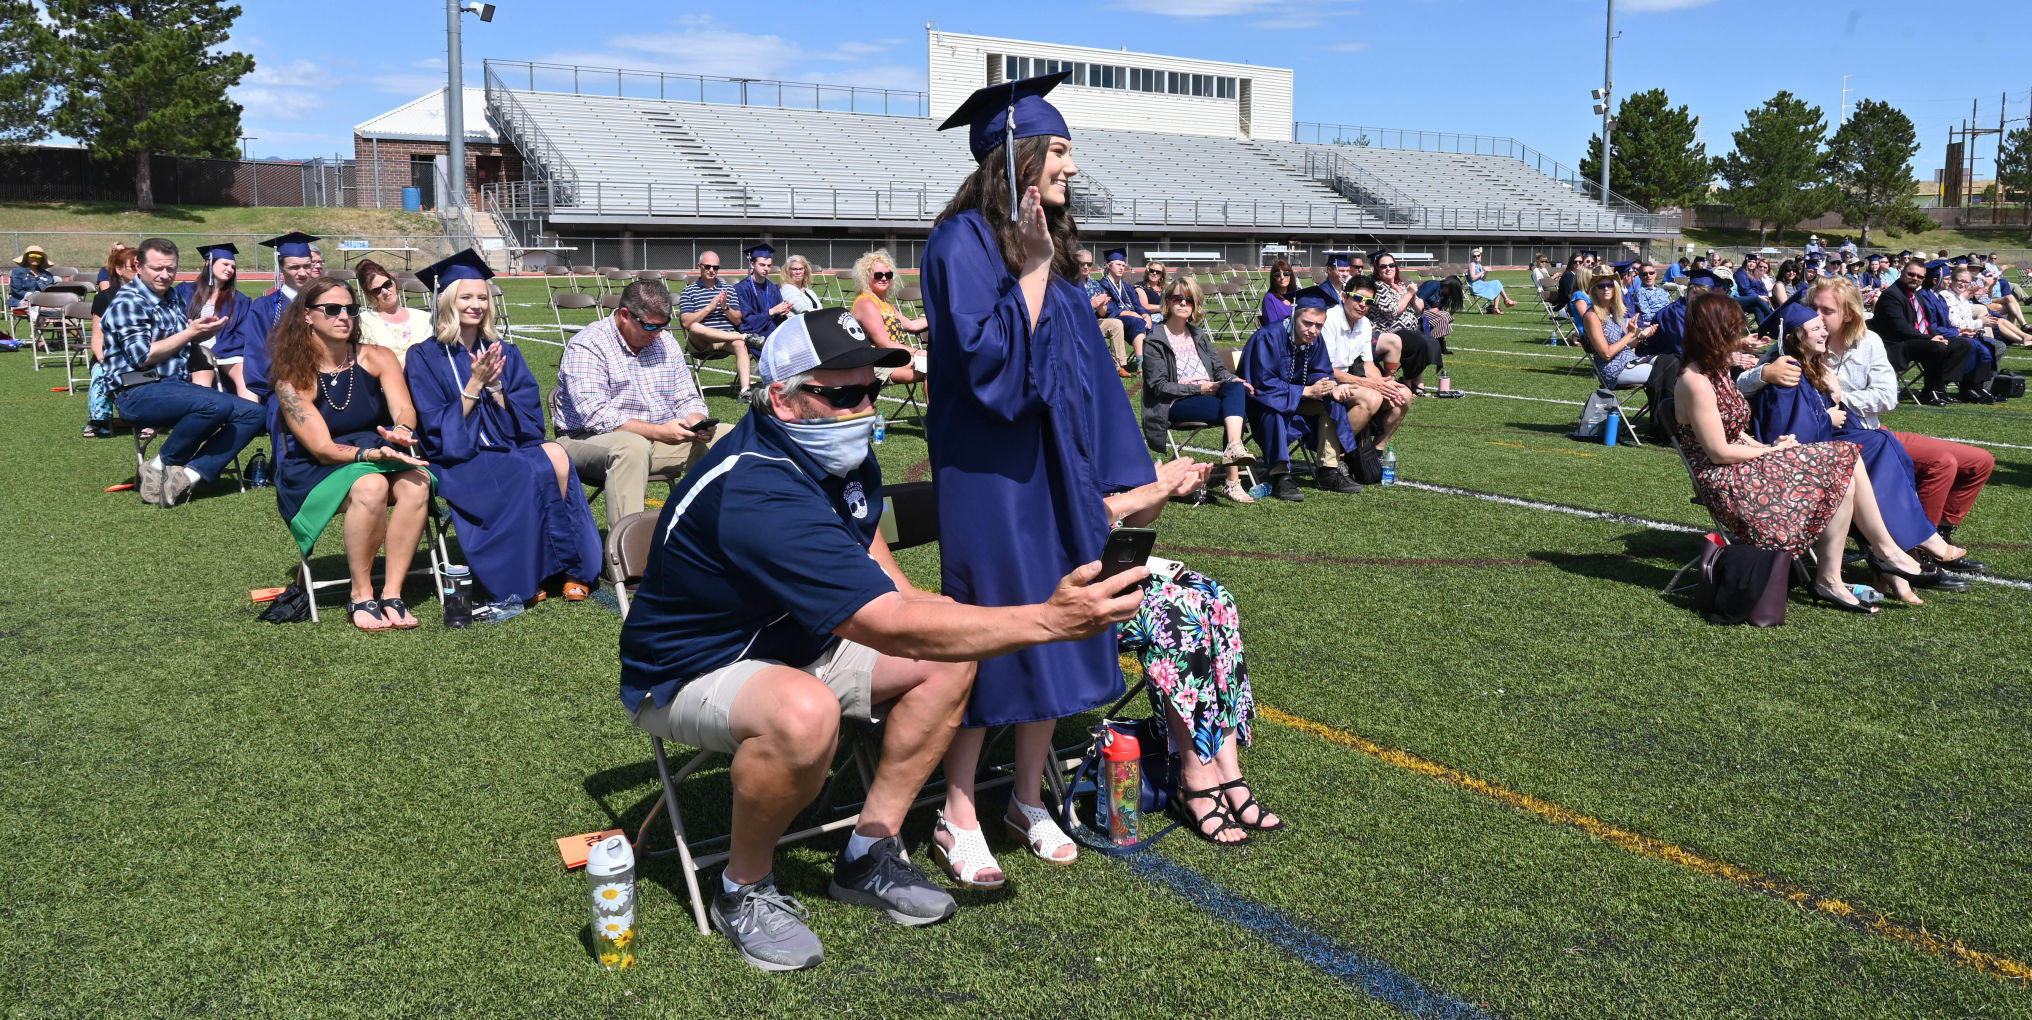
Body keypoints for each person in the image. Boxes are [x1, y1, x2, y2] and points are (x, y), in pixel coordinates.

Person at [618, 309, 1149, 971]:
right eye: (843, 394)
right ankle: (742, 887)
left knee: (949, 658)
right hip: (688, 669)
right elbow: (881, 621)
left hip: (797, 640)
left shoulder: (833, 451)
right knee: (805, 713)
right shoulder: (756, 487)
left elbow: (891, 591)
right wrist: (1046, 619)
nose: (865, 407)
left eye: (870, 389)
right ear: (781, 397)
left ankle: (870, 851)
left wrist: (984, 627)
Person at [919, 72, 1185, 878]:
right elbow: (988, 369)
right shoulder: (959, 244)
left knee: (1068, 619)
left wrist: (1119, 479)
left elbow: (1089, 381)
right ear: (1020, 157)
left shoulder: (1058, 256)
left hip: (1060, 474)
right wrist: (1031, 271)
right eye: (1060, 151)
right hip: (994, 478)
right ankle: (957, 806)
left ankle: (1026, 794)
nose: (1071, 166)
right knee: (996, 628)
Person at [1671, 292, 1935, 614]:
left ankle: (1844, 571)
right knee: (1843, 456)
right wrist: (1770, 452)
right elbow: (1717, 452)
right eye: (1735, 330)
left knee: (1846, 460)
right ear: (1715, 333)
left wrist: (1771, 448)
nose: (1741, 337)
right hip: (1725, 478)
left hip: (1742, 461)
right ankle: (1873, 558)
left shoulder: (1718, 373)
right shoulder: (1694, 382)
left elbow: (1735, 431)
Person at [1740, 277, 1994, 560]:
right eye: (1813, 308)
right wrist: (1763, 373)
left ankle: (1937, 533)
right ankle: (1916, 549)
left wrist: (1839, 393)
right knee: (1939, 462)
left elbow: (1887, 397)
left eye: (1827, 311)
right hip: (1834, 437)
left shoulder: (1867, 342)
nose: (1818, 317)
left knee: (1980, 460)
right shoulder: (1793, 341)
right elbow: (1743, 383)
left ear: (1848, 314)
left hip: (1864, 426)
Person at [403, 249, 602, 607]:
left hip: (507, 442)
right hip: (459, 455)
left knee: (556, 454)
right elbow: (434, 426)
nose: (476, 304)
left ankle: (573, 569)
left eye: (482, 297)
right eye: (466, 297)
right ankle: (529, 575)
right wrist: (474, 385)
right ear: (447, 300)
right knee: (523, 468)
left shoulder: (503, 350)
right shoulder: (423, 357)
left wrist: (495, 390)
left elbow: (529, 424)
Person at [269, 277, 435, 630]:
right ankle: (361, 594)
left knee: (418, 482)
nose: (344, 316)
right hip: (317, 465)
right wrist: (370, 457)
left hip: (381, 450)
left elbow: (404, 410)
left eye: (350, 308)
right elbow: (323, 448)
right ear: (308, 316)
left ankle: (392, 593)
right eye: (332, 309)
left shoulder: (378, 357)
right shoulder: (292, 376)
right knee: (371, 485)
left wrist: (401, 432)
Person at [550, 278, 729, 529]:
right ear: (625, 315)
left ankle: (721, 535)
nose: (657, 333)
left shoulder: (665, 342)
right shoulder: (588, 344)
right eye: (649, 326)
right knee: (631, 447)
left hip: (658, 437)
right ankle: (627, 559)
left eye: (663, 325)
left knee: (730, 437)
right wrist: (659, 431)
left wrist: (697, 421)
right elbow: (595, 415)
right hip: (584, 439)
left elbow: (686, 396)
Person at [101, 238, 263, 507]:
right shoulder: (128, 302)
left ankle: (189, 473)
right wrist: (190, 333)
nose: (165, 275)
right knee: (215, 404)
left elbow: (180, 336)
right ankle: (161, 464)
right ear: (139, 266)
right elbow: (142, 356)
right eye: (158, 268)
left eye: (171, 269)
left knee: (255, 413)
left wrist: (201, 331)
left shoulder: (173, 296)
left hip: (176, 386)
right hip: (136, 390)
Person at [1139, 275, 1256, 503]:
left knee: (1235, 387)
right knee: (1235, 411)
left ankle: (1233, 449)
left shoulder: (1198, 335)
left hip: (1208, 392)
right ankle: (1232, 482)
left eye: (1189, 300)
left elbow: (1220, 371)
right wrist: (1200, 389)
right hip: (1174, 403)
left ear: (1195, 305)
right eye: (1178, 298)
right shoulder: (1154, 340)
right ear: (1168, 302)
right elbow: (1159, 387)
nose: (1183, 303)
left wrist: (1232, 380)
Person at [1242, 287, 1362, 499]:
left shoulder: (1314, 341)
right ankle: (1279, 474)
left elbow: (1320, 371)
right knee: (1275, 408)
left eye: (1318, 326)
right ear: (1294, 315)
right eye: (1307, 323)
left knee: (1331, 403)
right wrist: (1305, 391)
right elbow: (1261, 383)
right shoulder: (1267, 337)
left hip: (1297, 398)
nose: (1313, 331)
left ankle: (1328, 469)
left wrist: (1330, 388)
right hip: (1260, 404)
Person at [227, 231, 323, 403]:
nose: (302, 273)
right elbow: (257, 355)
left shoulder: (323, 303)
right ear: (281, 268)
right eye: (294, 267)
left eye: (307, 266)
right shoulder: (265, 307)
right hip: (281, 390)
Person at [1320, 276, 1412, 448]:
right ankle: (1334, 456)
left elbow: (1368, 364)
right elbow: (1326, 370)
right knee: (1372, 397)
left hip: (1346, 380)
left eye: (1369, 301)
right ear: (1344, 296)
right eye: (1358, 298)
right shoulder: (1329, 320)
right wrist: (1368, 383)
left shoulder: (1365, 324)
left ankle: (1376, 451)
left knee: (1403, 395)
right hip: (1324, 381)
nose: (1363, 304)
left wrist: (1382, 384)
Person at [1867, 258, 1972, 406]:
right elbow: (1900, 327)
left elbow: (1925, 323)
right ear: (1902, 273)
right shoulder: (1891, 295)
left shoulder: (1915, 295)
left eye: (1920, 277)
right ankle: (1928, 392)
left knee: (1962, 345)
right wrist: (1929, 339)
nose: (1915, 278)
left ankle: (1940, 388)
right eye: (1911, 274)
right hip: (1897, 344)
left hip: (1915, 340)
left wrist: (1935, 335)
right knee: (1937, 347)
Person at [170, 242, 253, 392]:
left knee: (244, 374)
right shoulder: (185, 291)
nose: (230, 269)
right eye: (225, 264)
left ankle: (253, 412)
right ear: (208, 263)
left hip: (227, 350)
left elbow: (244, 333)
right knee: (203, 369)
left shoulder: (240, 300)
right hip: (192, 348)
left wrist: (218, 348)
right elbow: (175, 322)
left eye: (233, 267)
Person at [679, 250, 754, 400]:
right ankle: (745, 336)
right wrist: (710, 307)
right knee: (695, 327)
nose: (712, 270)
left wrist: (725, 307)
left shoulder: (728, 289)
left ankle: (745, 390)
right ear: (699, 266)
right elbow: (686, 322)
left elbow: (737, 320)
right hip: (701, 343)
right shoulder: (688, 291)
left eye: (715, 267)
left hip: (725, 342)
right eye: (708, 266)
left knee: (740, 344)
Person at [849, 250, 927, 390]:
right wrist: (920, 352)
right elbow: (885, 343)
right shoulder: (866, 303)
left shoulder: (885, 303)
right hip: (877, 363)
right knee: (935, 369)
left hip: (895, 358)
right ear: (866, 277)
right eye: (878, 275)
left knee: (939, 367)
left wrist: (938, 318)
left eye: (888, 275)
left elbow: (911, 325)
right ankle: (937, 412)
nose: (884, 278)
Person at [1369, 250, 1443, 393]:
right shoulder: (1377, 287)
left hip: (1410, 329)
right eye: (1384, 266)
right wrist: (1408, 294)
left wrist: (1413, 296)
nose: (1388, 269)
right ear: (1377, 269)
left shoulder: (1401, 284)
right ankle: (1412, 379)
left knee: (1430, 340)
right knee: (1422, 343)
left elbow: (1420, 309)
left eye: (1391, 265)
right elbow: (1393, 311)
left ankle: (1410, 378)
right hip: (1390, 331)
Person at [85, 245, 140, 437]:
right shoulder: (105, 297)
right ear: (119, 270)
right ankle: (99, 420)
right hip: (109, 356)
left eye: (141, 265)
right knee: (101, 373)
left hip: (142, 356)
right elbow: (97, 337)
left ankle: (149, 420)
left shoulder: (152, 296)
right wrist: (103, 358)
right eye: (133, 266)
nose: (138, 270)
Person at [1575, 272, 1658, 388]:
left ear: (1615, 288)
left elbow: (1627, 345)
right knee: (1664, 372)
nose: (1606, 289)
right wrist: (1630, 335)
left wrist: (1642, 336)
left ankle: (1661, 405)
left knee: (1669, 362)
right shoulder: (1592, 316)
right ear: (1594, 290)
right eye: (1601, 286)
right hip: (1613, 369)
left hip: (1631, 360)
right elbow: (1606, 354)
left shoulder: (1615, 312)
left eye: (1610, 285)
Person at [354, 259, 429, 365]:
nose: (385, 291)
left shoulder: (423, 317)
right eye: (377, 290)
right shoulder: (364, 322)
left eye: (387, 284)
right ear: (369, 296)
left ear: (393, 281)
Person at [1096, 247, 1153, 370]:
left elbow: (1138, 305)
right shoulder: (1102, 285)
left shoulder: (1127, 286)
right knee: (1137, 322)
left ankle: (1153, 361)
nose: (1122, 267)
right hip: (1115, 319)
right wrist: (1133, 315)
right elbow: (1110, 310)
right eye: (1118, 264)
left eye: (1123, 265)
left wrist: (1146, 315)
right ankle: (1141, 365)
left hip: (1133, 318)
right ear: (1109, 266)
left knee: (1153, 324)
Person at [732, 243, 790, 344]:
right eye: (762, 265)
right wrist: (771, 312)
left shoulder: (772, 288)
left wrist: (781, 314)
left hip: (773, 331)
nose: (766, 268)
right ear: (752, 264)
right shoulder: (741, 289)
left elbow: (777, 319)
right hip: (754, 335)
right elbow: (746, 323)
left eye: (769, 266)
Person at [1467, 248, 1516, 313]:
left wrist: (1486, 272)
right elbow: (1473, 278)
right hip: (1475, 287)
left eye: (1478, 255)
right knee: (1497, 283)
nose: (1476, 257)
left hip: (1480, 284)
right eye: (1474, 256)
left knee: (1497, 286)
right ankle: (1506, 300)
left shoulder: (1480, 266)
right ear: (1472, 257)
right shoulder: (1472, 264)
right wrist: (1483, 271)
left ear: (1480, 255)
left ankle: (1496, 308)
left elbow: (1482, 279)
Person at [1628, 261, 1672, 327]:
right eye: (1644, 274)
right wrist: (1666, 316)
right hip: (1656, 326)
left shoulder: (1662, 291)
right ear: (1640, 276)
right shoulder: (1640, 293)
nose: (1648, 276)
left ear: (1655, 274)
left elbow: (1669, 307)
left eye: (1651, 273)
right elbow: (1647, 317)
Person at [9, 244, 55, 309]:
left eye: (38, 256)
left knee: (60, 309)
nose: (35, 258)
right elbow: (17, 289)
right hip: (22, 300)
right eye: (32, 255)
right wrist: (32, 296)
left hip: (44, 300)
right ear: (26, 258)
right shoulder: (17, 272)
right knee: (39, 309)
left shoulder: (47, 275)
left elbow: (51, 290)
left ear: (42, 259)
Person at [1260, 258, 1298, 328]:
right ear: (1273, 278)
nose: (1282, 277)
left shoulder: (1297, 296)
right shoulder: (1270, 298)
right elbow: (1272, 327)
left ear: (1291, 276)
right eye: (1277, 275)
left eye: (1286, 273)